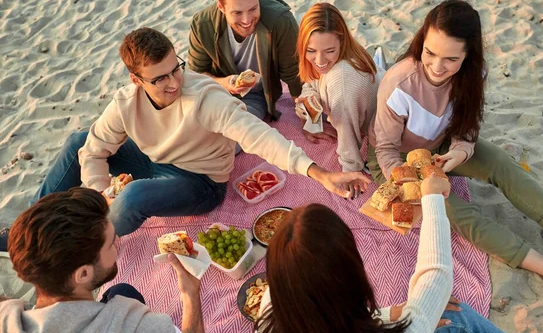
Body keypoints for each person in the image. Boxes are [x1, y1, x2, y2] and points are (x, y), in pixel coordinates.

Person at [0, 27, 368, 243]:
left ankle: (81, 248)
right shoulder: (126, 102)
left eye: (176, 69)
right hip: (153, 161)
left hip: (201, 181)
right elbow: (94, 151)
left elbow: (260, 137)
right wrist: (98, 190)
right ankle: (27, 231)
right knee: (77, 142)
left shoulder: (204, 98)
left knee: (134, 196)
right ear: (136, 80)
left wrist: (321, 174)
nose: (174, 82)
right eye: (160, 78)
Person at [367, 0, 543, 309]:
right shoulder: (399, 84)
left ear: (468, 56)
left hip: (442, 146)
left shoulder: (473, 75)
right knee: (457, 212)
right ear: (421, 42)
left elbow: (467, 130)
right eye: (430, 53)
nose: (437, 67)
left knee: (502, 164)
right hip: (398, 161)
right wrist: (419, 185)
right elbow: (384, 149)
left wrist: (458, 155)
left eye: (450, 59)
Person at [255, 177, 506, 333]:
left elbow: (327, 319)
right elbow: (435, 278)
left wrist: (387, 314)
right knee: (454, 315)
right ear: (350, 279)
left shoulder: (268, 312)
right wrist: (432, 197)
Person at [0, 188, 201, 333]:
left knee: (122, 291)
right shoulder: (139, 326)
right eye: (110, 244)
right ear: (83, 274)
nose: (117, 242)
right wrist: (190, 293)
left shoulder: (8, 319)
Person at [187, 0, 302, 121]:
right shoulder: (202, 24)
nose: (247, 20)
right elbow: (195, 75)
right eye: (237, 13)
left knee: (237, 129)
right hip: (214, 93)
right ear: (221, 7)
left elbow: (294, 75)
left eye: (253, 9)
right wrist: (225, 83)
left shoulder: (281, 21)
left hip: (255, 96)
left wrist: (308, 119)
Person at [294, 3, 381, 192]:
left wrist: (350, 170)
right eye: (311, 51)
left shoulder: (343, 78)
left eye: (329, 51)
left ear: (342, 42)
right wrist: (310, 103)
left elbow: (347, 127)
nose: (319, 61)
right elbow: (311, 83)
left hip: (385, 134)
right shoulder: (347, 51)